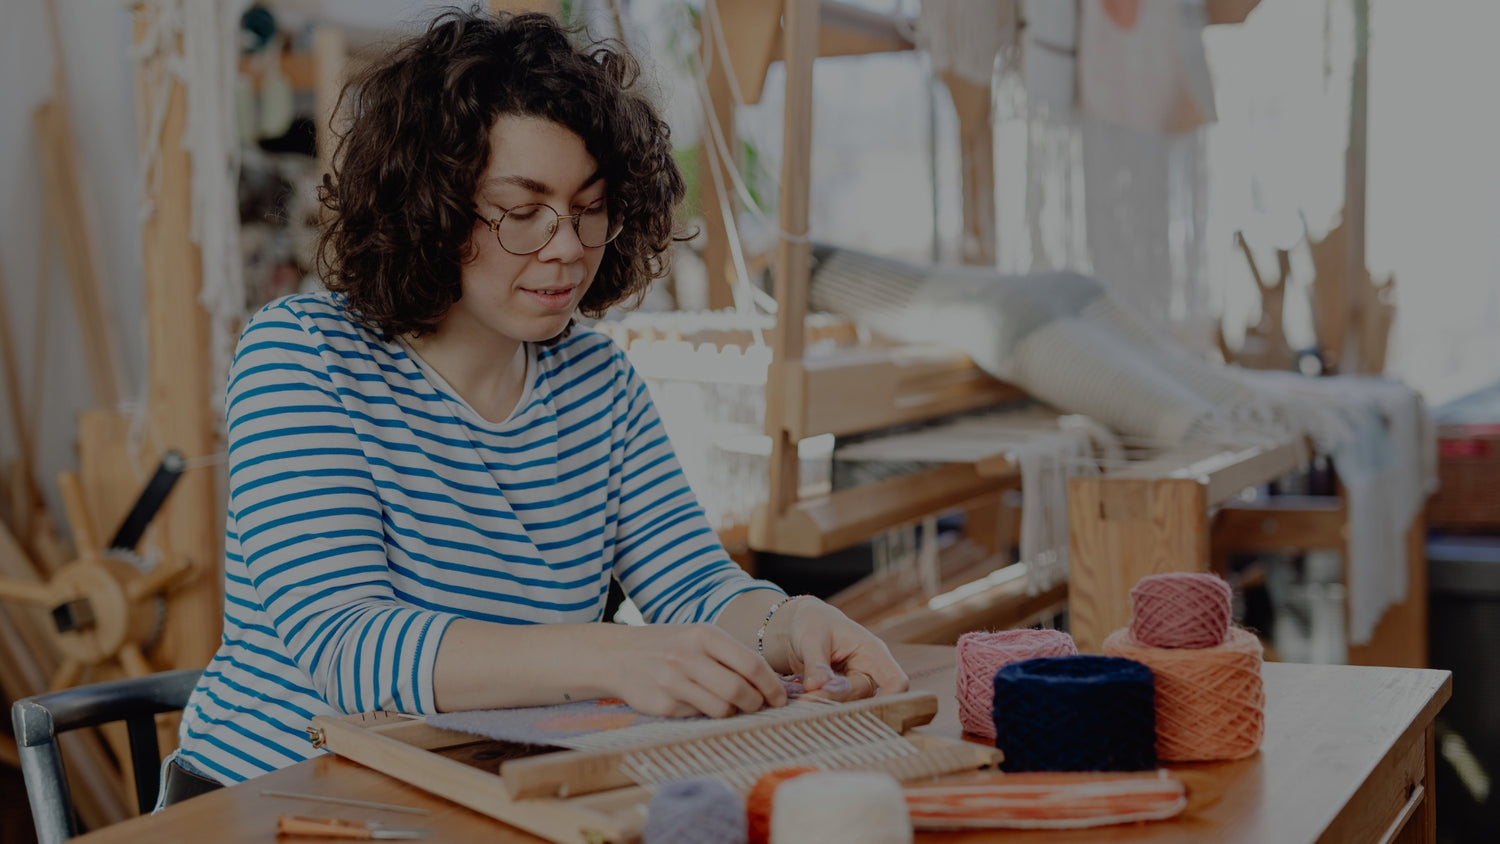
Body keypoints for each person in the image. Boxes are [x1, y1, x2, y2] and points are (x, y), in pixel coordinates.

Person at [169, 6, 907, 795]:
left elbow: (694, 584)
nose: (567, 246)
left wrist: (788, 625)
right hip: (272, 794)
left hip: (473, 786)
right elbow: (351, 648)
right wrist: (613, 655)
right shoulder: (303, 356)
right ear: (433, 206)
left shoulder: (598, 382)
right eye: (523, 213)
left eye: (590, 209)